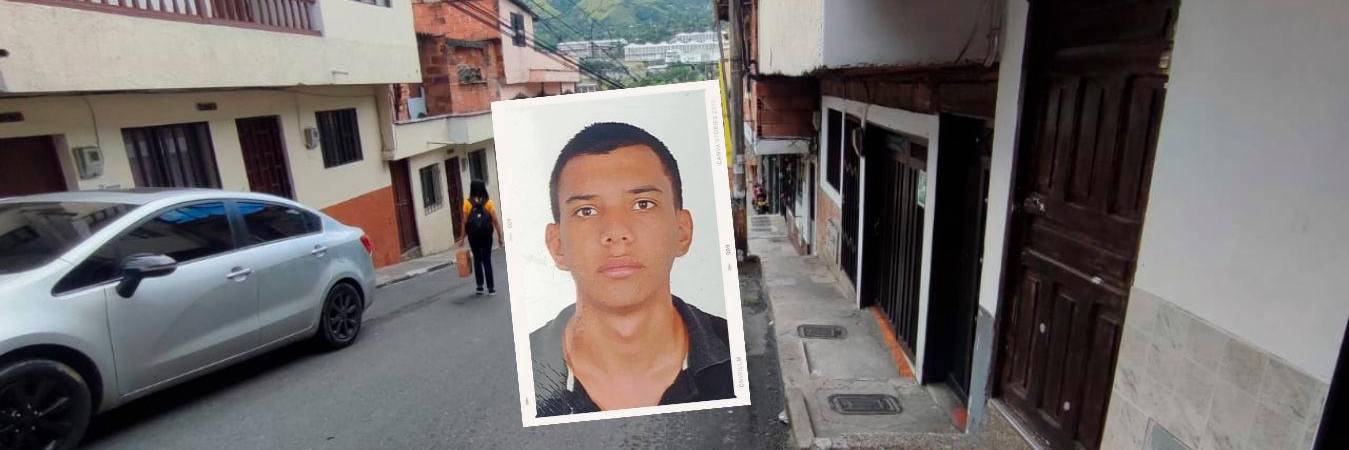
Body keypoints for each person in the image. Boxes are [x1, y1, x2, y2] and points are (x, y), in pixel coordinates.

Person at [530, 122, 733, 417]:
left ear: (682, 231)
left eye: (642, 204)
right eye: (586, 211)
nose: (616, 233)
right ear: (557, 244)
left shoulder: (737, 354)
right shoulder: (522, 368)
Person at [457, 179, 504, 295]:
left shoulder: (467, 203)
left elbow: (464, 222)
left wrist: (462, 238)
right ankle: (491, 288)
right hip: (486, 236)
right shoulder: (488, 203)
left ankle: (480, 287)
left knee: (477, 260)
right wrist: (500, 236)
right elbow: (495, 220)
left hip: (474, 237)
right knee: (487, 260)